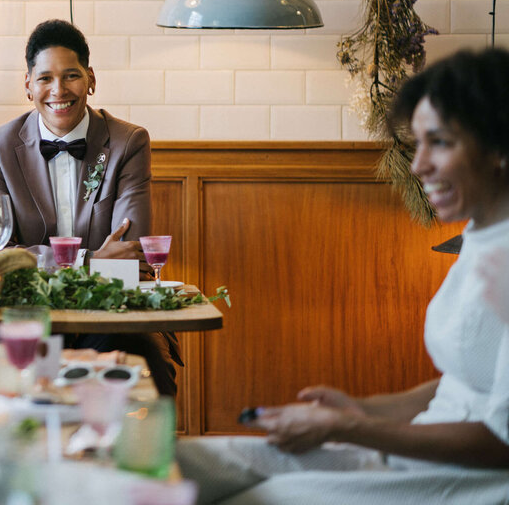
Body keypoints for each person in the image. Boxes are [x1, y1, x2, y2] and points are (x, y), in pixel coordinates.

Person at [177, 47, 509, 505]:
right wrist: (362, 409)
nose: (418, 165)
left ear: (499, 148)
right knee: (182, 464)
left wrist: (351, 428)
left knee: (257, 498)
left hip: (467, 481)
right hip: (411, 453)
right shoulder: (481, 234)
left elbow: (502, 441)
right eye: (419, 143)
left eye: (441, 143)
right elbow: (466, 380)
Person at [0, 19, 181, 394]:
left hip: (111, 311)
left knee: (145, 363)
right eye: (45, 78)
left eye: (71, 76)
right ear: (28, 86)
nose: (58, 90)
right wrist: (88, 260)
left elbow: (128, 255)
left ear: (91, 79)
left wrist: (32, 257)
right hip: (29, 311)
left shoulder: (128, 142)